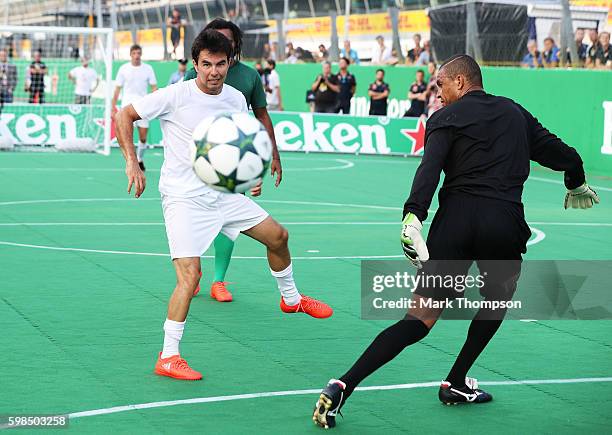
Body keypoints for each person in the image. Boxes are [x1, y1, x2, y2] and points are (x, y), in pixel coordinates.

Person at [311, 54, 599, 429]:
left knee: (418, 318)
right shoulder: (515, 114)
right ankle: (456, 381)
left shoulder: (443, 119)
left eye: (440, 85)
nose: (438, 94)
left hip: (454, 225)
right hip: (502, 224)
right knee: (496, 301)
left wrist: (413, 216)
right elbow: (562, 153)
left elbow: (429, 170)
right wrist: (574, 179)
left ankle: (341, 385)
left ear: (461, 82)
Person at [114, 29, 333, 381]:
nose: (213, 71)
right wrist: (130, 161)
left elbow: (239, 141)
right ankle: (168, 356)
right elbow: (124, 115)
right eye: (206, 65)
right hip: (184, 198)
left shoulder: (233, 97)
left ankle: (291, 299)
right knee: (190, 278)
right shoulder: (175, 95)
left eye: (220, 64)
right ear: (195, 64)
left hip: (224, 193)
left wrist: (252, 172)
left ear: (229, 63)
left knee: (278, 236)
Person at [183, 18, 283, 300]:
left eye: (226, 40)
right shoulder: (196, 73)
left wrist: (271, 156)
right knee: (194, 224)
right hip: (199, 160)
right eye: (213, 37)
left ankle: (218, 280)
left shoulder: (249, 77)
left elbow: (261, 116)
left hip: (232, 158)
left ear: (235, 46)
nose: (219, 43)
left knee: (228, 221)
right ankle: (194, 271)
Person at [112, 44, 158, 171]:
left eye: (139, 53)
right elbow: (117, 89)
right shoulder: (123, 69)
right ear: (130, 55)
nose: (136, 56)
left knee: (143, 137)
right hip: (127, 107)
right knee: (128, 137)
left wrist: (156, 104)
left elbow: (154, 88)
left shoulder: (148, 69)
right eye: (134, 53)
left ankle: (140, 158)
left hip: (143, 106)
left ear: (141, 54)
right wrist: (112, 108)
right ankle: (131, 162)